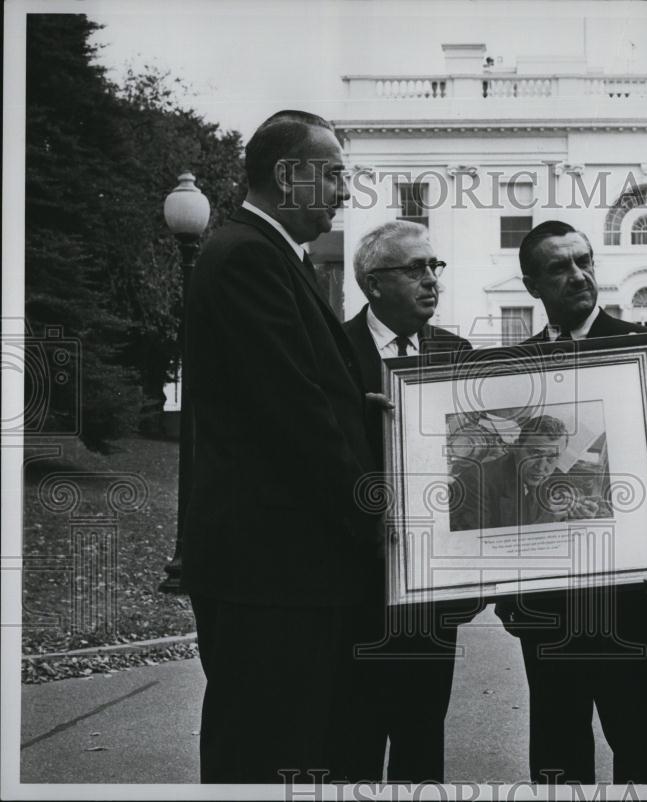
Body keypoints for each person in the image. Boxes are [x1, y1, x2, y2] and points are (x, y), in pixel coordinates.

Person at [181, 110, 381, 783]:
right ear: (289, 176)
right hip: (272, 575)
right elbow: (295, 415)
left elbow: (305, 393)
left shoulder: (266, 256)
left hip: (287, 570)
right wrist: (372, 513)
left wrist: (368, 409)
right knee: (267, 757)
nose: (345, 193)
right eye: (334, 176)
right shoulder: (245, 258)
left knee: (300, 750)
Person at [494, 220, 647, 785]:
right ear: (532, 285)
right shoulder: (506, 371)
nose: (578, 276)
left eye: (584, 262)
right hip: (548, 606)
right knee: (556, 755)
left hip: (632, 597)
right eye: (559, 267)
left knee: (638, 752)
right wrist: (502, 582)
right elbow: (499, 485)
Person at [342, 220, 480, 782]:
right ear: (374, 284)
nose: (432, 280)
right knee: (352, 741)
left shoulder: (457, 352)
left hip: (430, 595)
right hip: (355, 588)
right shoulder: (332, 351)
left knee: (423, 743)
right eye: (416, 268)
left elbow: (478, 469)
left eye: (435, 267)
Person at [449, 414, 604, 531]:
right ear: (516, 448)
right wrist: (545, 524)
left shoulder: (556, 479)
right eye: (535, 454)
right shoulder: (474, 482)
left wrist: (578, 521)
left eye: (552, 457)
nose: (542, 467)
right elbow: (478, 550)